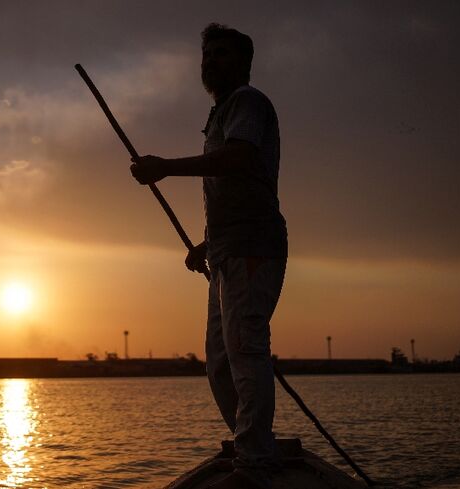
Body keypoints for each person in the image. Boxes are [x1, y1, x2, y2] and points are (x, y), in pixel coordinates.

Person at [130, 24, 287, 489]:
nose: (210, 62)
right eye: (206, 55)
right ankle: (251, 445)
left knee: (245, 351)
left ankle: (256, 464)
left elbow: (238, 161)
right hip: (225, 252)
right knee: (218, 362)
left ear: (244, 63)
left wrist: (165, 169)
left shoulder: (247, 103)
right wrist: (205, 243)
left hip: (253, 249)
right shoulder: (218, 114)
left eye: (221, 54)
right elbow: (228, 190)